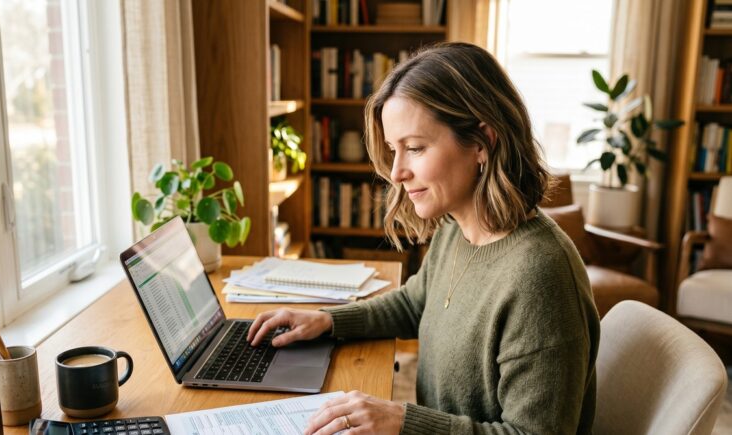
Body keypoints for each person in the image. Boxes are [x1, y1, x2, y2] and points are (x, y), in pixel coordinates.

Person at [248, 42, 600, 435]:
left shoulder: (541, 275)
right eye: (393, 149)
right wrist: (326, 321)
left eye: (415, 148)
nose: (396, 171)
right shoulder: (458, 227)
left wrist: (403, 421)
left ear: (481, 143)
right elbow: (417, 303)